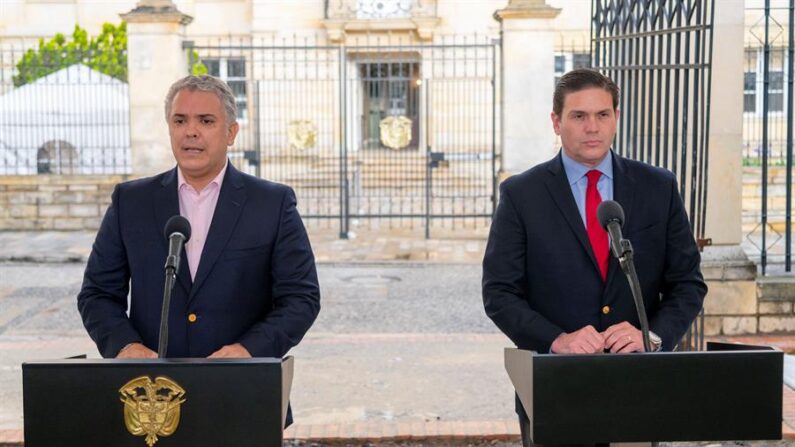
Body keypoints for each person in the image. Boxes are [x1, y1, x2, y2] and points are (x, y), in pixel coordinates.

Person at [481, 69, 707, 447]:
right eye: (579, 116)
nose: (593, 127)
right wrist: (557, 340)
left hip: (638, 387)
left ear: (616, 117)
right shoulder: (522, 194)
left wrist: (651, 336)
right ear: (556, 122)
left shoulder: (658, 186)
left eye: (603, 115)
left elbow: (687, 284)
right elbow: (499, 294)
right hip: (555, 387)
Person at [77, 75, 320, 361]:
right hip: (152, 394)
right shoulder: (130, 202)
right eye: (180, 121)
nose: (190, 131)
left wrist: (250, 350)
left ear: (231, 132)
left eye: (205, 121)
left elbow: (301, 298)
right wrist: (124, 346)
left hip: (243, 390)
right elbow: (97, 294)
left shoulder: (272, 203)